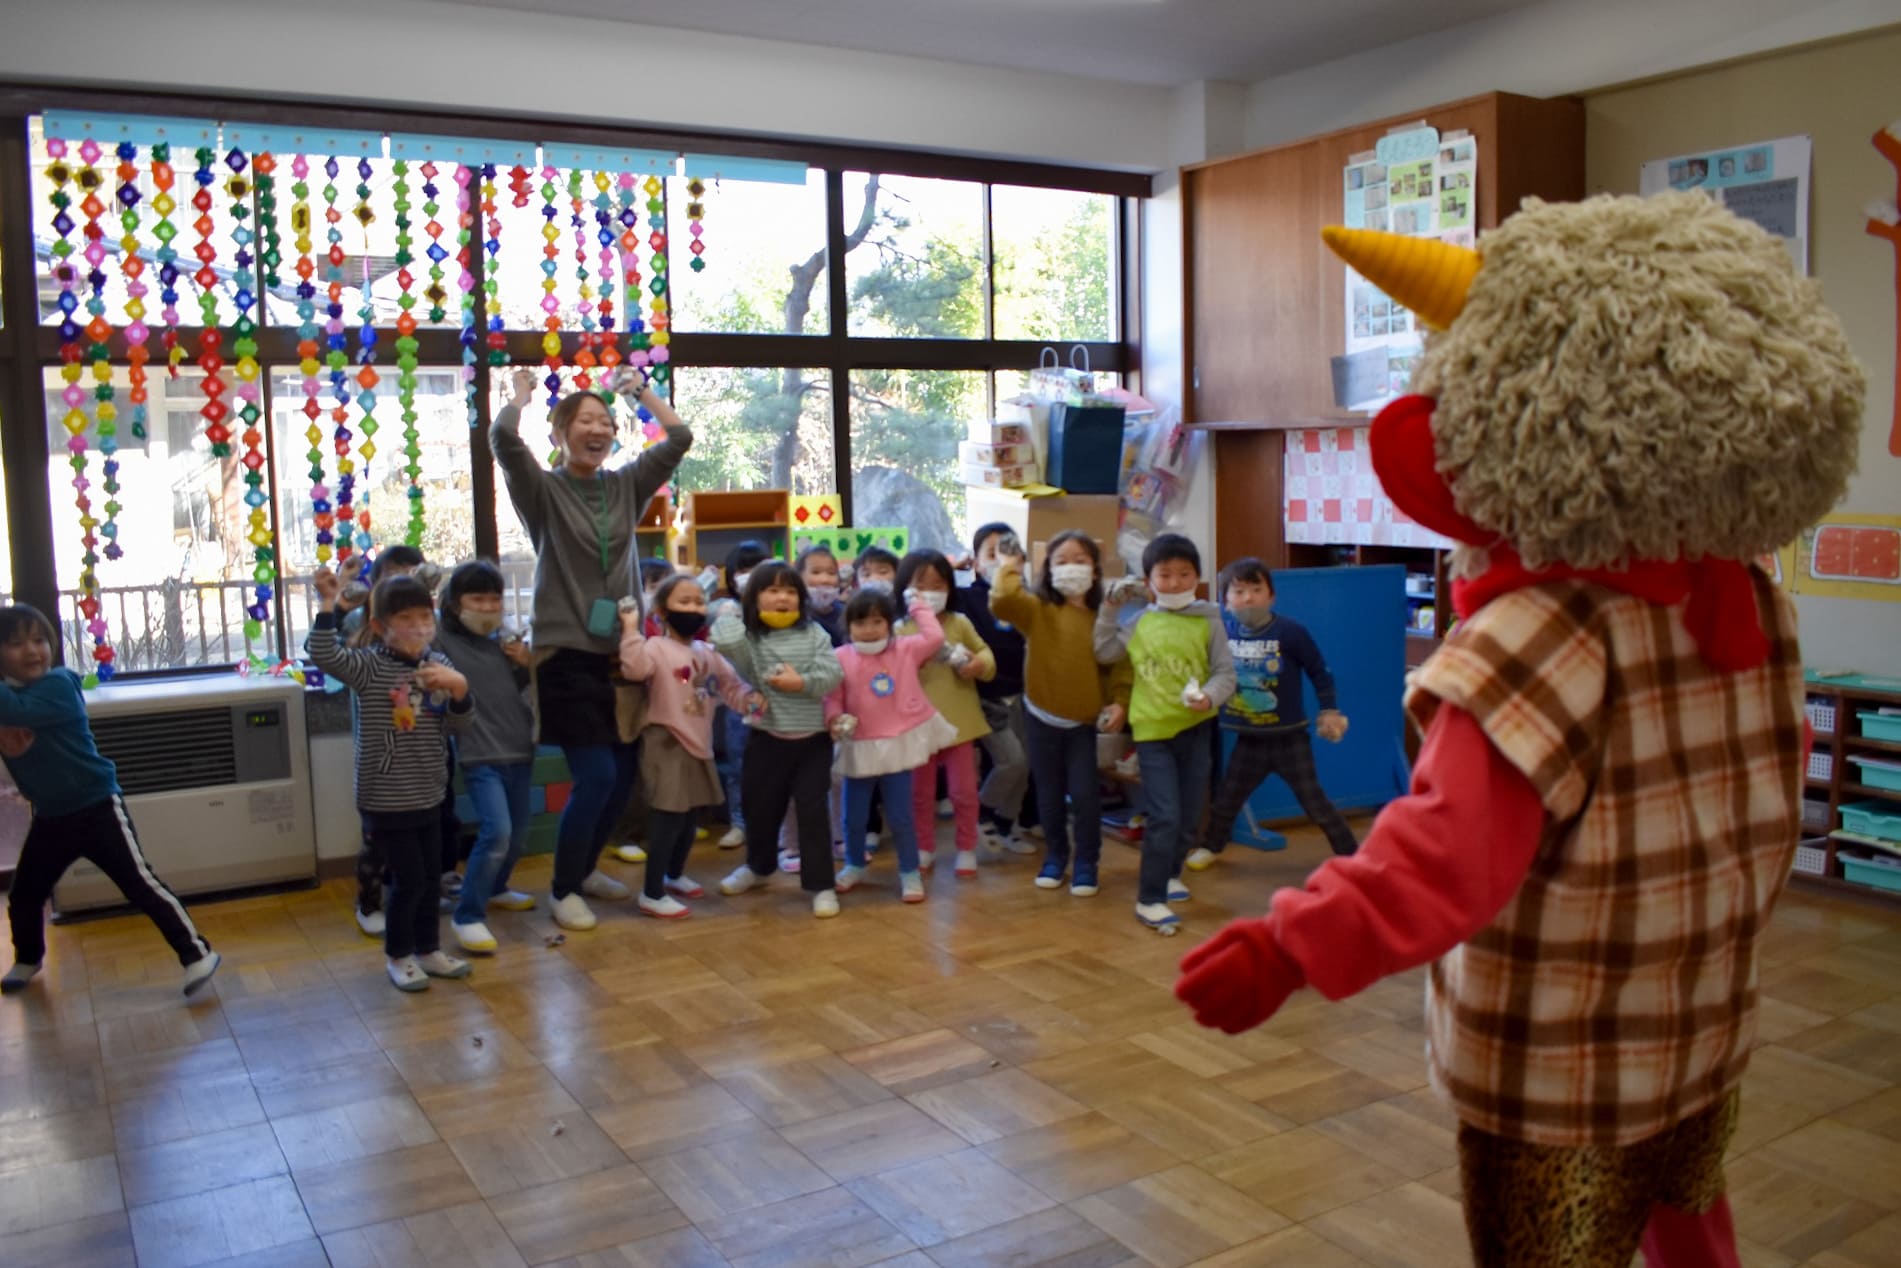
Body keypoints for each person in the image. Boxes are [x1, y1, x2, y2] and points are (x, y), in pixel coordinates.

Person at [1177, 197, 1865, 1267]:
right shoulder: (1747, 601)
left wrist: (1288, 941)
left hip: (1561, 1070)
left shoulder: (1531, 639)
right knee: (1692, 1223)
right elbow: (1769, 802)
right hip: (1698, 1028)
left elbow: (1441, 859)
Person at [490, 365, 692, 932]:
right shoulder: (544, 490)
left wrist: (640, 392)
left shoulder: (624, 485)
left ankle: (581, 872)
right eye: (584, 420)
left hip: (623, 652)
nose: (597, 428)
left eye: (605, 420)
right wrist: (522, 396)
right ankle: (561, 888)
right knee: (597, 775)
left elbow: (679, 439)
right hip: (565, 654)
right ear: (560, 434)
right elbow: (504, 441)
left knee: (623, 778)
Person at [0, 605, 221, 999]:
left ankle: (197, 954)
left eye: (38, 640)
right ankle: (29, 956)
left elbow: (16, 710)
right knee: (26, 894)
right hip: (52, 818)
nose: (32, 651)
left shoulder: (58, 685)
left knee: (141, 884)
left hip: (97, 807)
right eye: (16, 644)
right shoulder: (10, 698)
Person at [309, 569, 475, 992]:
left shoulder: (439, 665)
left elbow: (461, 723)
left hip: (431, 791)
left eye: (425, 616)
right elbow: (323, 654)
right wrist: (332, 606)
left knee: (430, 879)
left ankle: (428, 950)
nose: (419, 627)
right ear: (381, 628)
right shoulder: (369, 666)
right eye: (406, 619)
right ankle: (399, 956)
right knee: (410, 880)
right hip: (386, 796)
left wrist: (459, 689)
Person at [1095, 533, 1234, 934]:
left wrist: (1209, 697)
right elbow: (1105, 652)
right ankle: (1150, 898)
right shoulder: (1140, 621)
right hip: (1152, 734)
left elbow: (1225, 672)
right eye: (1165, 575)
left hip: (1196, 730)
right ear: (1149, 580)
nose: (1174, 583)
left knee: (1189, 816)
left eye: (1184, 574)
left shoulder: (1210, 619)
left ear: (1198, 577)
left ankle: (1170, 874)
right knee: (1165, 815)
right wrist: (1109, 608)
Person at [1190, 557, 1357, 868]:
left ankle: (1352, 855)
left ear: (1272, 596)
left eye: (1256, 589)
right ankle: (1211, 847)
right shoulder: (1222, 634)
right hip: (1249, 741)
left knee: (1315, 803)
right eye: (1238, 592)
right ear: (1225, 601)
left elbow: (1319, 671)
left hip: (1290, 739)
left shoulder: (1290, 632)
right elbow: (1209, 673)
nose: (1248, 598)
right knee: (1227, 800)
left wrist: (1329, 710)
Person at [990, 530, 1129, 898]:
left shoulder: (1103, 616)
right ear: (1047, 570)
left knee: (1085, 796)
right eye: (1061, 561)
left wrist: (1120, 701)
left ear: (1096, 571)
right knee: (1048, 796)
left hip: (1083, 725)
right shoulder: (1038, 610)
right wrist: (1009, 567)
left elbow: (1118, 666)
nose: (1070, 568)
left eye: (1080, 561)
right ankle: (1055, 857)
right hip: (1040, 718)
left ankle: (1087, 863)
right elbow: (1003, 603)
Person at [710, 561, 844, 916]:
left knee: (813, 812)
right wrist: (735, 605)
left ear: (800, 598)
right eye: (771, 590)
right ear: (755, 598)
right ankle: (758, 867)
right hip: (766, 737)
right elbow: (724, 639)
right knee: (760, 807)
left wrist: (799, 682)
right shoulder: (750, 638)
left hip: (813, 739)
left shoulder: (815, 633)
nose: (782, 597)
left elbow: (832, 673)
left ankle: (821, 885)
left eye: (789, 590)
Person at [620, 576, 752, 918]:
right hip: (666, 740)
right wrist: (631, 630)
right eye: (685, 601)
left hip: (699, 743)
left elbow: (731, 686)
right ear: (663, 612)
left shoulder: (707, 652)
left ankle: (673, 875)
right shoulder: (655, 647)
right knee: (668, 816)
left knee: (690, 816)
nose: (694, 608)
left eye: (699, 601)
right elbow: (634, 669)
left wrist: (753, 702)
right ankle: (651, 892)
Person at [826, 590, 957, 904]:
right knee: (853, 817)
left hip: (898, 745)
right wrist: (834, 718)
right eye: (861, 622)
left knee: (901, 816)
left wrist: (916, 604)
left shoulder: (905, 649)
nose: (870, 629)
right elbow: (831, 696)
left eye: (877, 621)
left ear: (889, 623)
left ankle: (909, 871)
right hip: (859, 746)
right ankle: (855, 864)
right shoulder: (840, 657)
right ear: (848, 625)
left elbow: (935, 636)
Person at [435, 561, 538, 954]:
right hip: (480, 753)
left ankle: (496, 888)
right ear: (455, 602)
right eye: (477, 598)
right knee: (497, 831)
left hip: (519, 748)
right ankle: (468, 915)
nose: (488, 606)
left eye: (494, 598)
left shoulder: (504, 640)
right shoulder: (441, 639)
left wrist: (526, 666)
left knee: (517, 836)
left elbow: (518, 692)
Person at [894, 549, 995, 877]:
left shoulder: (960, 623)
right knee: (919, 794)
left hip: (958, 725)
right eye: (921, 586)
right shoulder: (899, 629)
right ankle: (924, 846)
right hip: (917, 725)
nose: (930, 592)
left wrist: (978, 665)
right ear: (905, 589)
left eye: (938, 584)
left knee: (963, 791)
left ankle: (966, 847)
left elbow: (986, 656)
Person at [965, 523, 1037, 855]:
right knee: (1013, 762)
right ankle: (981, 814)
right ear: (976, 563)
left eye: (1007, 553)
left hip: (1022, 693)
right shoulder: (968, 598)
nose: (1000, 560)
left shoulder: (1027, 599)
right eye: (992, 554)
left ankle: (1008, 826)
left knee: (1026, 765)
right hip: (986, 697)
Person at [711, 540, 771, 851]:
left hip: (775, 700)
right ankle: (739, 822)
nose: (750, 576)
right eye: (743, 570)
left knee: (772, 763)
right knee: (738, 763)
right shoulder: (726, 610)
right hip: (737, 702)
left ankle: (771, 824)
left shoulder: (779, 609)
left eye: (757, 568)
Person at [797, 544, 847, 648]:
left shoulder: (846, 613)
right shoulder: (796, 615)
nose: (825, 579)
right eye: (816, 572)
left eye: (831, 573)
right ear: (799, 577)